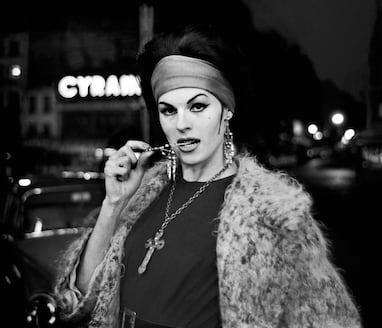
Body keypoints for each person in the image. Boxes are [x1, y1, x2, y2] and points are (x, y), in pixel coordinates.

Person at [54, 24, 361, 328]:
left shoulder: (274, 210)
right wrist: (113, 204)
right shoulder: (141, 194)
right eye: (168, 110)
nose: (181, 124)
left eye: (198, 106)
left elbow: (328, 317)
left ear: (226, 110)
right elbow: (80, 302)